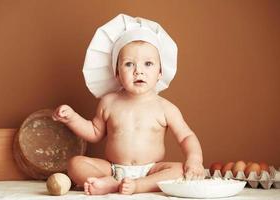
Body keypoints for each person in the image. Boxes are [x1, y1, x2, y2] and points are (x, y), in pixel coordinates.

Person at [52, 14, 204, 195]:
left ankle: (140, 186)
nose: (139, 70)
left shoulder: (165, 108)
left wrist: (194, 159)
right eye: (129, 64)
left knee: (178, 170)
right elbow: (94, 133)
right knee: (75, 164)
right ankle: (109, 183)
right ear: (116, 73)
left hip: (150, 171)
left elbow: (186, 136)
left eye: (148, 64)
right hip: (112, 169)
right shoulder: (109, 102)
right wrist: (72, 118)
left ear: (160, 72)